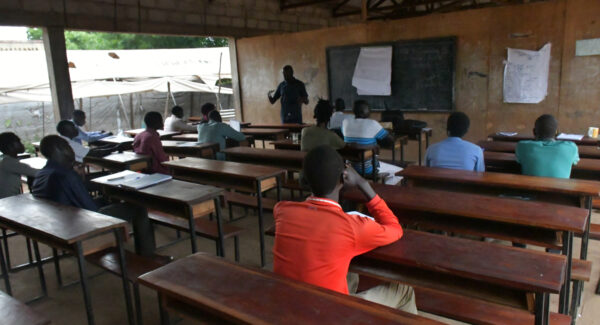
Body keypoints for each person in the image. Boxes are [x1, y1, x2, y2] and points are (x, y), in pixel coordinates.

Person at [273, 145, 416, 313]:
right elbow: (394, 228)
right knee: (404, 290)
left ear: (304, 179)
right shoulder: (351, 226)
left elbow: (312, 215)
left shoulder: (282, 211)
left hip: (287, 308)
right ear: (344, 178)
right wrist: (363, 184)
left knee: (349, 272)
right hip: (330, 314)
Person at [32, 135, 156, 256]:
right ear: (59, 149)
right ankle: (148, 254)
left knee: (108, 199)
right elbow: (92, 210)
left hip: (58, 223)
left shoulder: (42, 173)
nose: (71, 149)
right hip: (80, 225)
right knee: (138, 208)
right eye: (67, 146)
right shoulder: (67, 175)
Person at [516, 114, 579, 179]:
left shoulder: (522, 146)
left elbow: (519, 160)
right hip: (561, 188)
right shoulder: (571, 147)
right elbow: (574, 162)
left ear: (534, 132)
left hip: (530, 188)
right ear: (556, 133)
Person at [341, 100, 393, 175]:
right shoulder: (372, 123)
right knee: (392, 170)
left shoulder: (345, 122)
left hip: (349, 168)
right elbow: (390, 140)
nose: (370, 111)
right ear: (364, 111)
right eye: (369, 109)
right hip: (367, 170)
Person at [0, 132, 39, 199]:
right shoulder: (10, 163)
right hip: (8, 201)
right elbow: (37, 173)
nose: (22, 144)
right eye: (19, 142)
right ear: (10, 146)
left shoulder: (5, 161)